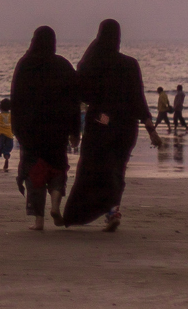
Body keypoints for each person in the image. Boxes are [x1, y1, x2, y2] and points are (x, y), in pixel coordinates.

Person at [62, 19, 164, 232]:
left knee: (93, 171)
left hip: (101, 122)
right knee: (117, 170)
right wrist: (151, 129)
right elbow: (138, 99)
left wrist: (74, 128)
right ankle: (112, 212)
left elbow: (79, 92)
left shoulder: (92, 63)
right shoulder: (130, 64)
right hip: (125, 128)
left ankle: (86, 213)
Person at [10, 26, 81, 230]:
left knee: (34, 172)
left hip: (31, 132)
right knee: (58, 169)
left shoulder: (25, 65)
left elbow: (17, 98)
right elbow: (74, 100)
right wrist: (75, 131)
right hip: (57, 131)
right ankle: (56, 204)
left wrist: (17, 128)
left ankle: (38, 220)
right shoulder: (63, 66)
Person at [0, 98, 14, 171]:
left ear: (1, 107)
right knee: (7, 149)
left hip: (2, 134)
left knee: (0, 148)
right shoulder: (12, 116)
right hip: (9, 134)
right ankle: (6, 158)